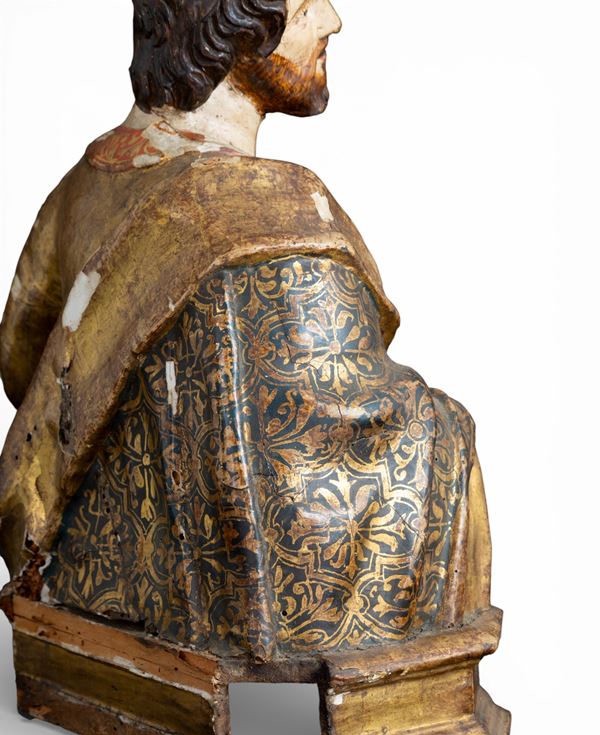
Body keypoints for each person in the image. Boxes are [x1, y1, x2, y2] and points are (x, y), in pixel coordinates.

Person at [0, 0, 492, 664]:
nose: (333, 21)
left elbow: (22, 364)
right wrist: (437, 422)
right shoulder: (283, 208)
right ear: (233, 26)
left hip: (98, 571)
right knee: (441, 424)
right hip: (244, 587)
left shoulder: (79, 187)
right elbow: (349, 427)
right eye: (307, 6)